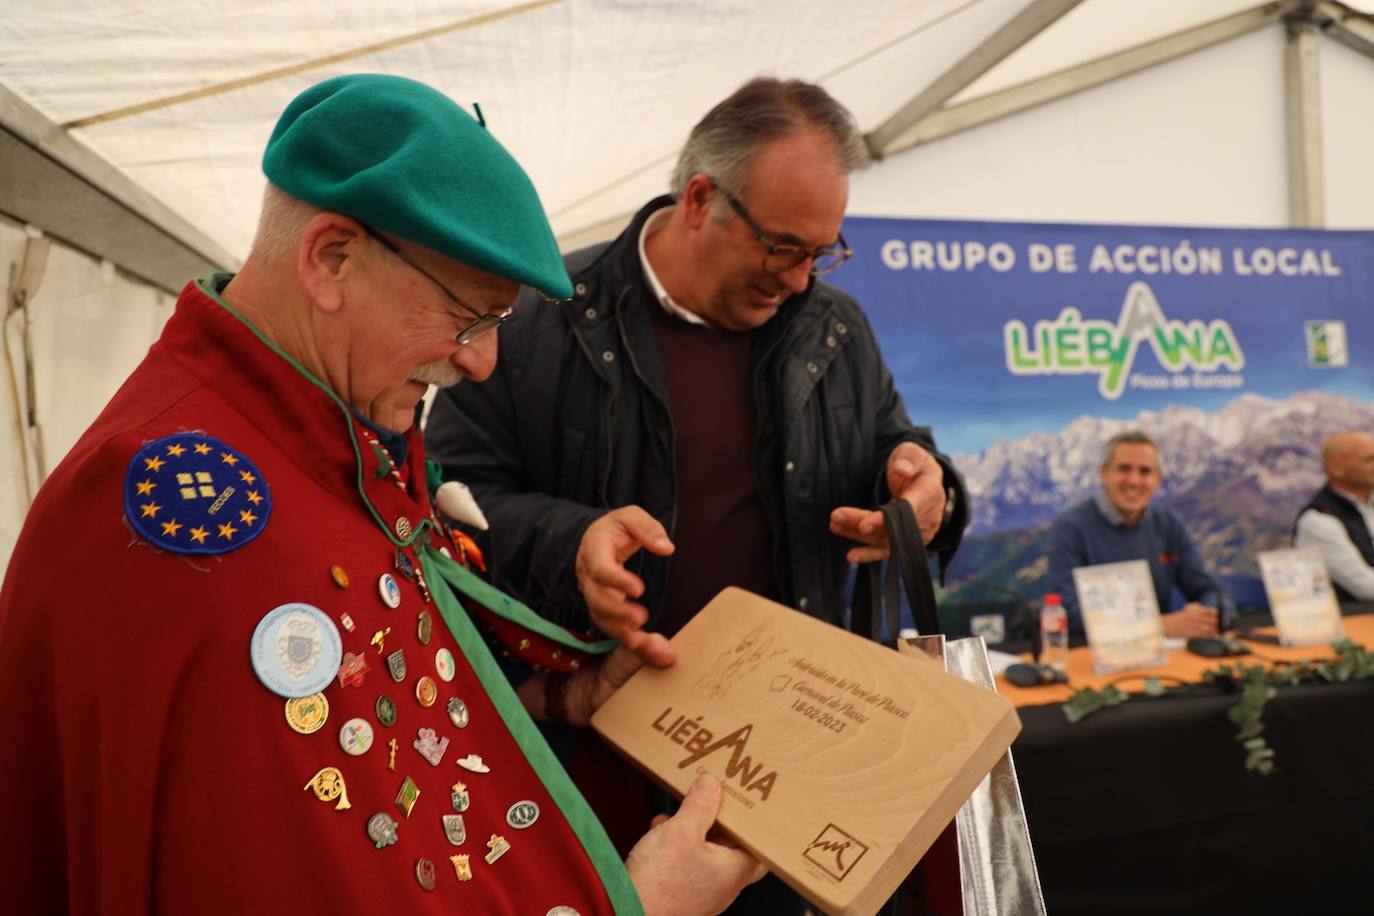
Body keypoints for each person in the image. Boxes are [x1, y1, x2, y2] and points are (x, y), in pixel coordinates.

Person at [0, 74, 763, 915]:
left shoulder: (328, 439)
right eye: (471, 318)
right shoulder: (186, 523)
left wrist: (552, 697)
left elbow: (377, 717)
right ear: (332, 259)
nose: (481, 363)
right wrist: (639, 908)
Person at [425, 76, 967, 914]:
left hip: (796, 770)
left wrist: (925, 490)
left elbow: (891, 449)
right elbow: (446, 499)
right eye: (784, 246)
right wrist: (574, 544)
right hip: (600, 758)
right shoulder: (538, 318)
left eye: (823, 252)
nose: (797, 278)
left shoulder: (835, 326)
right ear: (701, 199)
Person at [1046, 431, 1222, 637]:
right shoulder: (1069, 527)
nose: (1134, 481)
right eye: (1124, 469)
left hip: (1161, 659)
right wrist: (1157, 627)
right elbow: (1066, 615)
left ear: (1158, 480)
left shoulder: (1169, 523)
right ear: (1104, 473)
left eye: (1145, 471)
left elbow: (1208, 590)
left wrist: (1206, 617)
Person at [1294, 431, 1374, 602]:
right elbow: (1366, 587)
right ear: (1336, 468)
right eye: (1369, 459)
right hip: (1354, 622)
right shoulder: (1318, 519)